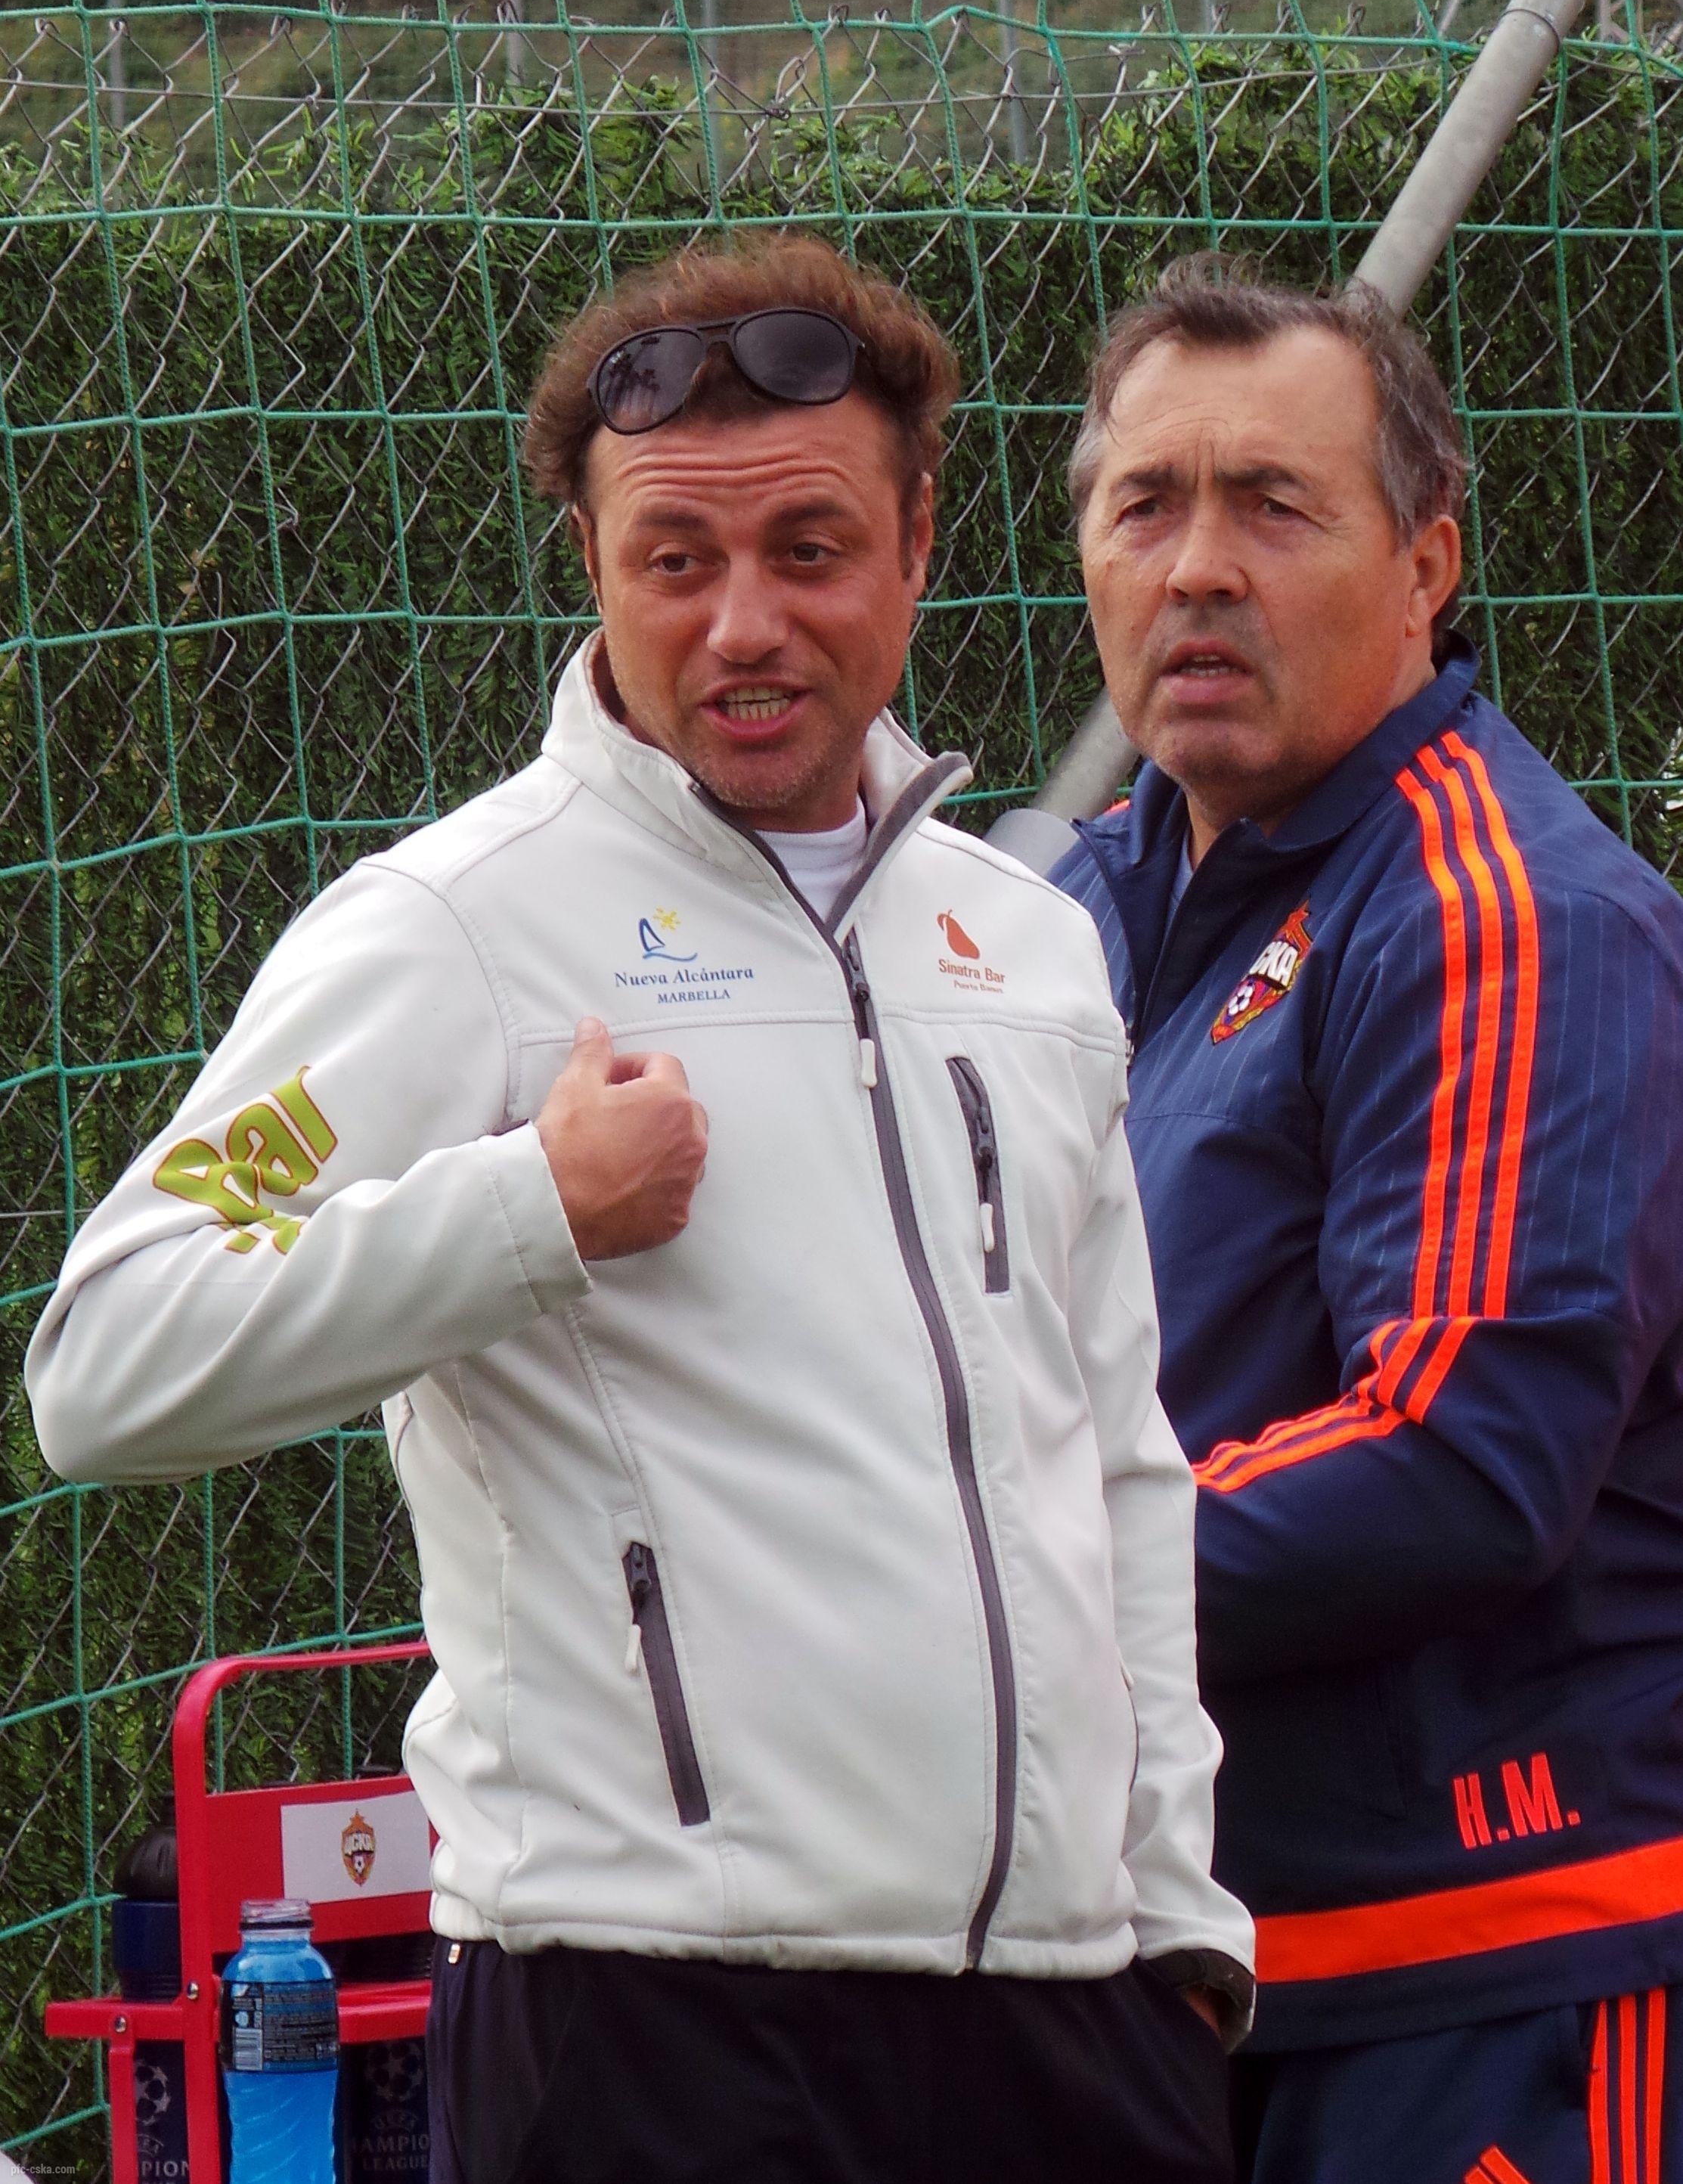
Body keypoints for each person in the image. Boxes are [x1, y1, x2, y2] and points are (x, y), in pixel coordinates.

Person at [29, 234, 1253, 2184]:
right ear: (594, 566)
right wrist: (529, 1207)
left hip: (1074, 2023)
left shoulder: (1024, 947)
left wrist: (1177, 1924)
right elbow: (108, 1360)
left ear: (920, 544)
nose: (744, 624)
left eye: (809, 549)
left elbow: (1117, 1462)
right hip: (646, 2020)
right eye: (676, 560)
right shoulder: (454, 927)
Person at [1051, 251, 1683, 2182]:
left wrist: (987, 1574)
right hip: (1198, 1955)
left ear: (1427, 566)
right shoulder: (1071, 912)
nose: (1198, 567)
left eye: (1274, 505)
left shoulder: (1508, 916)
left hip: (1499, 1962)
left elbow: (1459, 1453)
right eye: (1146, 506)